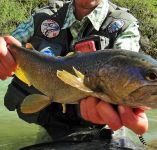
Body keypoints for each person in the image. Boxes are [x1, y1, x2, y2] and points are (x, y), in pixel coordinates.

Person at [0, 0, 148, 140]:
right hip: (53, 131)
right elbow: (9, 44)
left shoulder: (124, 25)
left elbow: (127, 65)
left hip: (107, 131)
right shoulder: (43, 17)